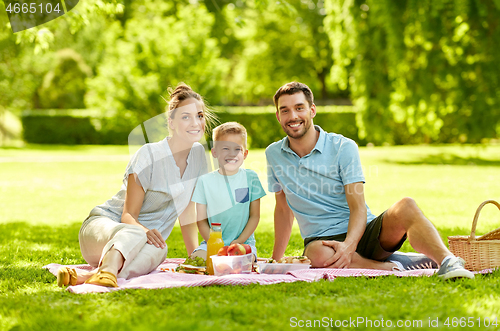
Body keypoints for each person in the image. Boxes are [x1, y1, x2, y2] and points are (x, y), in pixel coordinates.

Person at [265, 81, 474, 280]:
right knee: (316, 254)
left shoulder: (343, 147)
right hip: (322, 243)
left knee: (406, 206)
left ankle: (448, 262)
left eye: (299, 108)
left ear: (312, 110)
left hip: (364, 231)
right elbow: (283, 209)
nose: (293, 116)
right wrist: (275, 260)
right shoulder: (273, 154)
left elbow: (357, 207)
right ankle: (395, 266)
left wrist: (349, 245)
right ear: (277, 116)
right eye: (285, 110)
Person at [57, 83, 216, 287]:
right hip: (102, 231)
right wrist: (144, 230)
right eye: (186, 117)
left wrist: (194, 259)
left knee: (161, 249)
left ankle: (91, 276)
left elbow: (187, 213)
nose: (196, 122)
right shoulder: (149, 154)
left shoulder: (198, 156)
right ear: (172, 122)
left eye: (200, 116)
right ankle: (106, 270)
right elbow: (127, 216)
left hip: (140, 246)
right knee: (137, 232)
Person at [191, 122, 266, 261]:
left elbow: (254, 216)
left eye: (237, 149)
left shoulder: (251, 178)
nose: (232, 154)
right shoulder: (204, 181)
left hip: (243, 243)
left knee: (242, 261)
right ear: (214, 152)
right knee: (197, 259)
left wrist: (239, 241)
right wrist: (215, 244)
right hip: (212, 243)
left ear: (245, 153)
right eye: (225, 148)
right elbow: (201, 221)